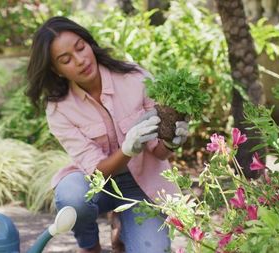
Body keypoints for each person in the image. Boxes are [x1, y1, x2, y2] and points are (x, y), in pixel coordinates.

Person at [26, 16, 188, 253]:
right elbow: (94, 171)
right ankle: (89, 247)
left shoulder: (134, 78)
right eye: (66, 59)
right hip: (95, 184)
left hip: (141, 183)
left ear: (89, 43)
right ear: (56, 70)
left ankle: (122, 227)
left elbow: (159, 152)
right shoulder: (59, 109)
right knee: (71, 197)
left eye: (81, 47)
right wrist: (127, 150)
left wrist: (172, 141)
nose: (80, 60)